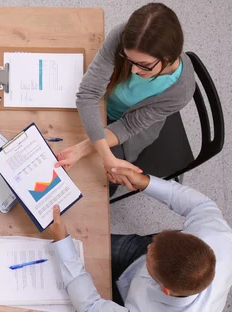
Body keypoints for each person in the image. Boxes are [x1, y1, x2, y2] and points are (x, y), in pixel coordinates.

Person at [47, 169, 232, 312]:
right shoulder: (218, 238)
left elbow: (89, 307)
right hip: (134, 261)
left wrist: (63, 244)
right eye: (155, 244)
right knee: (73, 247)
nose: (148, 248)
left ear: (165, 289)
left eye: (150, 259)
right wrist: (143, 182)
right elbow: (200, 205)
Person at [55, 3, 196, 191]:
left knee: (103, 182)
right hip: (103, 103)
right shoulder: (123, 36)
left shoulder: (181, 91)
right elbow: (88, 94)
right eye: (129, 60)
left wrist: (86, 149)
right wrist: (105, 156)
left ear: (168, 58)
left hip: (128, 127)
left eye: (144, 65)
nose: (134, 70)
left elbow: (128, 126)